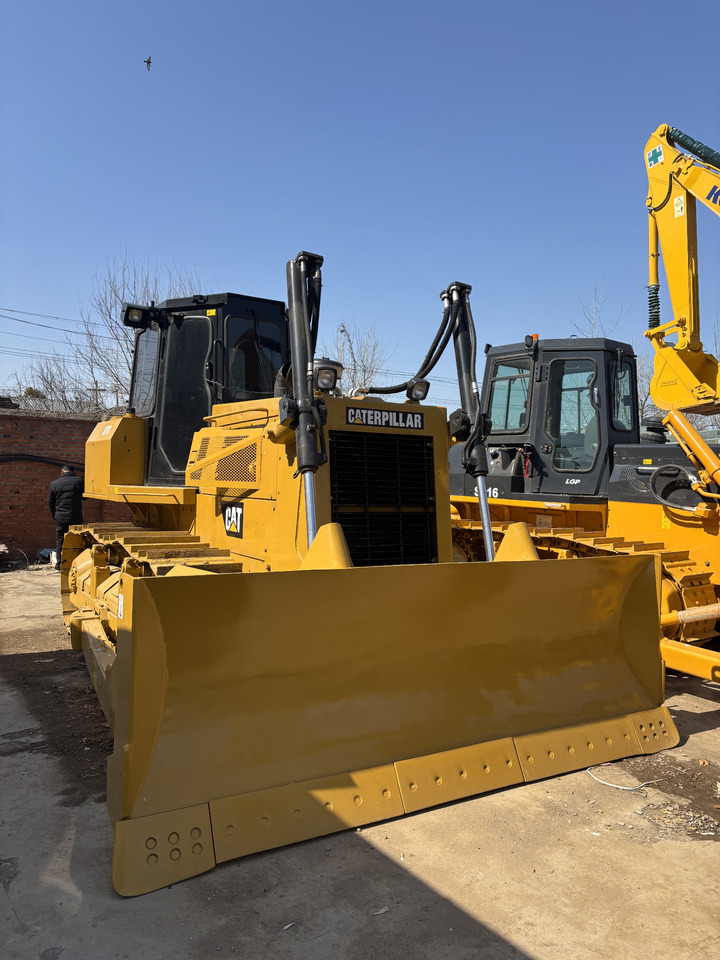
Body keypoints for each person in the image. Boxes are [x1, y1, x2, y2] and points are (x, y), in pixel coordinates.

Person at [48, 464, 84, 570]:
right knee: (77, 540)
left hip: (61, 517)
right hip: (75, 517)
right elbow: (85, 497)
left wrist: (55, 515)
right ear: (73, 472)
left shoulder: (54, 484)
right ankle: (76, 565)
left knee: (60, 540)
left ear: (62, 471)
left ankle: (59, 565)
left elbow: (51, 503)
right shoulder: (79, 481)